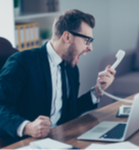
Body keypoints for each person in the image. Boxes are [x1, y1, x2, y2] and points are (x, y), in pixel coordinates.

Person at [0, 9, 116, 145]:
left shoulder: (71, 68)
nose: (90, 48)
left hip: (61, 138)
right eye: (87, 40)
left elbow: (69, 112)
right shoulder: (22, 62)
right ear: (67, 37)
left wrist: (97, 91)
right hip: (27, 142)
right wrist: (27, 127)